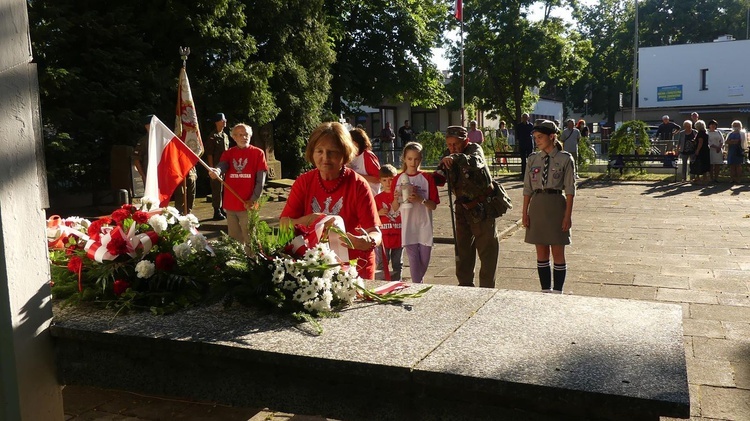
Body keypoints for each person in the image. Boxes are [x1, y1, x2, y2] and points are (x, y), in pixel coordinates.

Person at [280, 122, 382, 279]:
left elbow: (375, 232)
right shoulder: (303, 182)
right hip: (313, 267)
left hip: (354, 269)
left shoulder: (358, 184)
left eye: (332, 152)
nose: (325, 158)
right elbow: (284, 224)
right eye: (319, 151)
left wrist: (368, 241)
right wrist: (307, 220)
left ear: (345, 154)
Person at [439, 126, 499, 288]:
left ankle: (486, 288)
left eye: (456, 144)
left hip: (482, 206)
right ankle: (465, 284)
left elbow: (476, 162)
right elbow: (440, 176)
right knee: (463, 248)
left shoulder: (474, 149)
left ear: (465, 141)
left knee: (487, 250)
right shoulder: (448, 154)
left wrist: (456, 157)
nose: (452, 148)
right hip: (462, 207)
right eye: (449, 144)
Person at [521, 120, 576, 294]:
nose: (537, 141)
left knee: (558, 251)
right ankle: (545, 290)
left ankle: (558, 291)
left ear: (552, 137)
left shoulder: (565, 159)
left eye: (540, 137)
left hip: (556, 205)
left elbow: (570, 190)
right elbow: (527, 188)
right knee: (541, 252)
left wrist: (567, 216)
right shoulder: (532, 159)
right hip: (537, 205)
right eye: (535, 137)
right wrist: (524, 213)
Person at [208, 124, 268, 252]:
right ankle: (237, 264)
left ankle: (253, 264)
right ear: (234, 137)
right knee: (234, 239)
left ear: (250, 135)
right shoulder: (228, 153)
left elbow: (260, 181)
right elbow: (222, 166)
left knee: (250, 238)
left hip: (248, 204)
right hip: (231, 203)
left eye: (246, 134)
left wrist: (253, 199)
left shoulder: (258, 153)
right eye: (240, 134)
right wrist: (216, 171)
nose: (244, 137)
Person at [392, 142, 439, 284]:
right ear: (404, 159)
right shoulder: (398, 179)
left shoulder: (427, 178)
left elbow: (433, 206)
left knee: (424, 262)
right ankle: (417, 287)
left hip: (424, 226)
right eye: (410, 159)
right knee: (413, 261)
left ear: (421, 159)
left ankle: (418, 284)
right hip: (408, 227)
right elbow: (394, 208)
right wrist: (396, 198)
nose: (413, 162)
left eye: (416, 159)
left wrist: (421, 199)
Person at [374, 164, 403, 282]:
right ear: (380, 181)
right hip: (383, 237)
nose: (388, 183)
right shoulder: (377, 198)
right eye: (384, 180)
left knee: (397, 264)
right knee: (382, 263)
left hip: (398, 234)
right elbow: (371, 216)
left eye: (391, 180)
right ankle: (381, 283)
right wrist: (379, 213)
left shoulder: (399, 195)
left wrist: (396, 198)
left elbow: (398, 209)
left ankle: (397, 283)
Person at [205, 113, 231, 220]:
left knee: (224, 189)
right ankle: (216, 211)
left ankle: (222, 209)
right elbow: (209, 153)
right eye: (222, 120)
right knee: (216, 190)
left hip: (225, 167)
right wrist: (211, 168)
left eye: (225, 119)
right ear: (217, 122)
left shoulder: (225, 136)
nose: (224, 121)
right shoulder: (212, 137)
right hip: (216, 167)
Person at [349, 128, 382, 197]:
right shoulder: (350, 157)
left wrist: (355, 175)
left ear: (356, 143)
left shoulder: (367, 155)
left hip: (371, 197)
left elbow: (378, 179)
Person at [133, 115, 152, 186]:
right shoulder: (144, 141)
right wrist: (143, 176)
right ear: (147, 126)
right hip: (150, 176)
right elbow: (136, 160)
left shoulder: (163, 139)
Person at [516, 113, 534, 179]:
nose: (525, 118)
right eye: (523, 117)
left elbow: (532, 134)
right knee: (523, 160)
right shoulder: (519, 126)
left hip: (529, 144)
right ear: (522, 118)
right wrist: (518, 142)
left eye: (526, 117)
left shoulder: (530, 125)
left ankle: (530, 173)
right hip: (522, 144)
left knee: (530, 159)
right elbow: (517, 135)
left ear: (528, 118)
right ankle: (523, 174)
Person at [693, 120, 710, 184]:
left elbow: (700, 142)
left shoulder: (700, 133)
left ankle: (698, 178)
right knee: (705, 163)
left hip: (701, 150)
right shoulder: (705, 132)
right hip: (706, 150)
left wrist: (697, 150)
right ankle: (705, 178)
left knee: (699, 163)